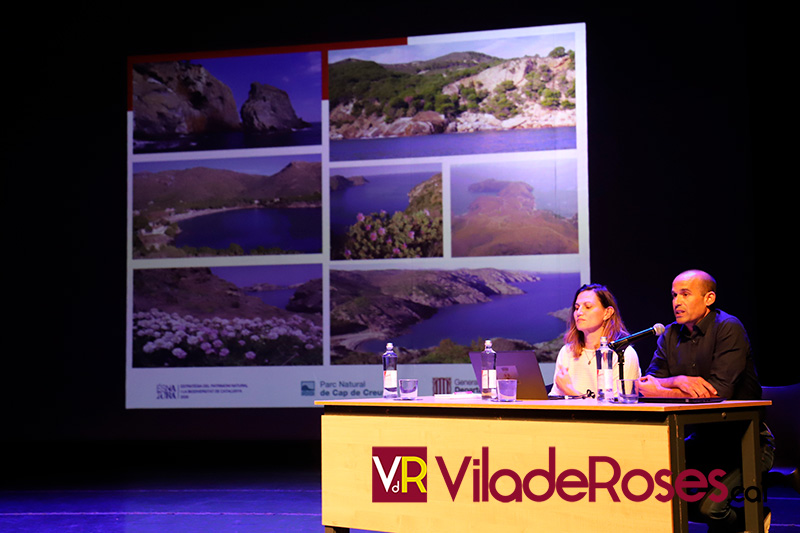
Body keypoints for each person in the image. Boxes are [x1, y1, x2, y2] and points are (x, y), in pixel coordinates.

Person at [639, 269, 774, 532]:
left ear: (709, 298)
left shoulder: (728, 327)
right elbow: (647, 385)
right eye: (674, 295)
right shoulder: (669, 334)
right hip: (704, 442)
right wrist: (677, 380)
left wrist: (663, 386)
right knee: (651, 488)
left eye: (685, 294)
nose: (676, 301)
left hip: (745, 443)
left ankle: (753, 518)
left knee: (710, 508)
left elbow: (716, 392)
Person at [549, 283, 641, 397]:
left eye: (588, 307)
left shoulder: (623, 354)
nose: (579, 312)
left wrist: (571, 392)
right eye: (577, 308)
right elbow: (554, 398)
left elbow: (617, 408)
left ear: (607, 313)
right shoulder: (567, 351)